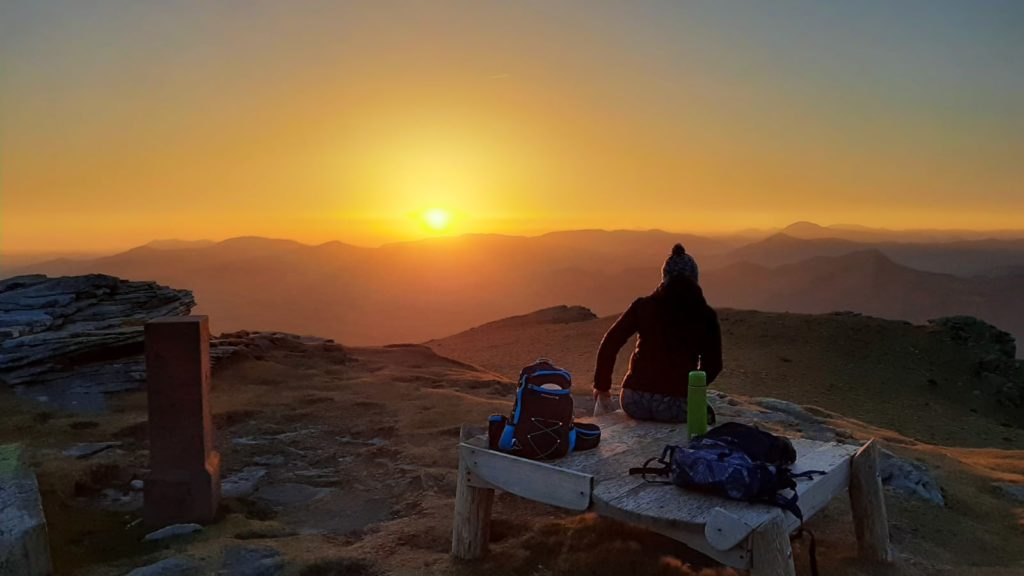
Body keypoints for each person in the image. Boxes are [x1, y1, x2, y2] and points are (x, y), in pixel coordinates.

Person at [593, 243, 722, 422]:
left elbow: (611, 342)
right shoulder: (705, 315)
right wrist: (690, 389)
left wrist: (602, 387)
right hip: (676, 406)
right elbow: (714, 364)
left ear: (664, 277)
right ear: (695, 279)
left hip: (634, 401)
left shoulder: (643, 306)